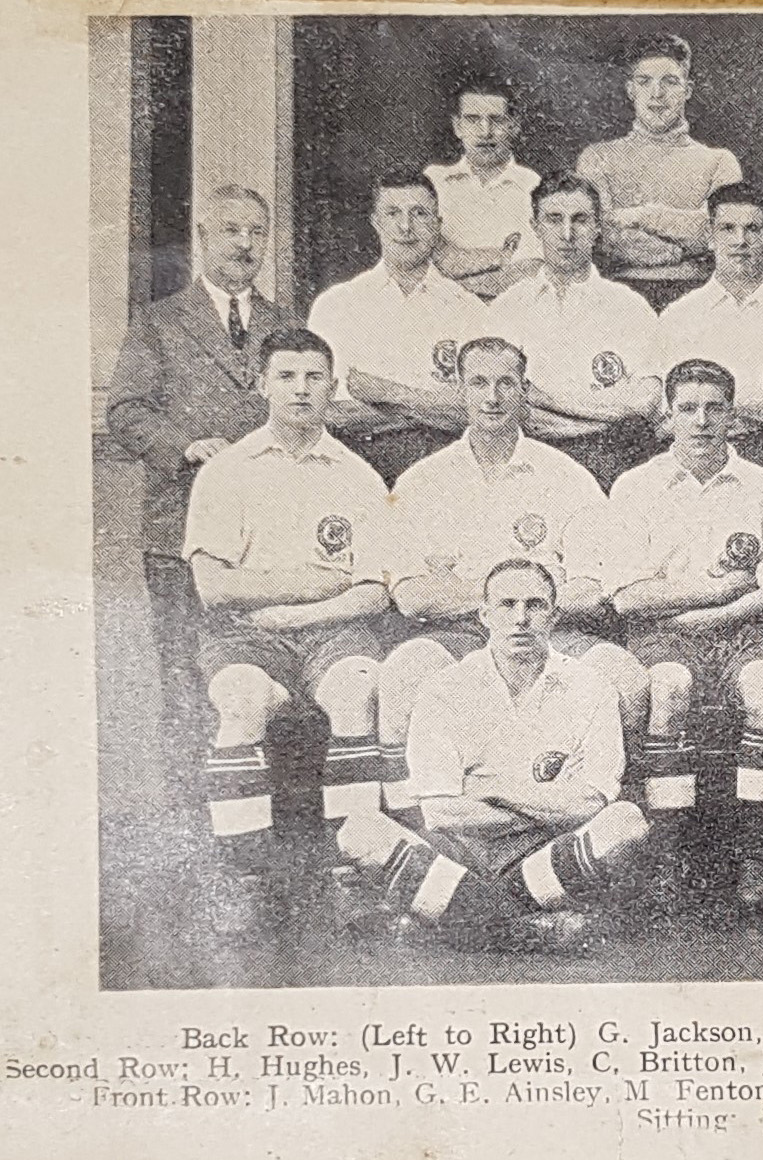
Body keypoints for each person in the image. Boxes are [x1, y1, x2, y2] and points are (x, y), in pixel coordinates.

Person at [369, 337, 650, 819]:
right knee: (404, 673)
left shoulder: (566, 477)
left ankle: (589, 824)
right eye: (479, 383)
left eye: (506, 383)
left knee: (625, 677)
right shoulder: (421, 482)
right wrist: (516, 595)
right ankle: (414, 826)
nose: (492, 397)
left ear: (525, 390)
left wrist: (484, 594)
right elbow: (413, 596)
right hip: (458, 634)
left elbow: (589, 589)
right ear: (459, 391)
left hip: (551, 633)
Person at [180, 329, 391, 935]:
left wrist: (296, 609)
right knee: (242, 697)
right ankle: (242, 877)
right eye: (286, 376)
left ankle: (355, 872)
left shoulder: (358, 475)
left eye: (314, 377)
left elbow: (372, 591)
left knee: (357, 686)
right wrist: (308, 581)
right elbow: (214, 588)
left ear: (332, 386)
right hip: (245, 634)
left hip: (332, 630)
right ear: (262, 384)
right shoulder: (227, 471)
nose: (301, 390)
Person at [336, 558, 650, 954]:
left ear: (554, 615)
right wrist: (547, 802)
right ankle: (521, 927)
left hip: (545, 849)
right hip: (461, 851)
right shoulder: (445, 689)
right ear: (484, 615)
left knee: (626, 822)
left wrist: (493, 788)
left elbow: (590, 805)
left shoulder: (592, 687)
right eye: (507, 604)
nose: (521, 618)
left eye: (535, 605)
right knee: (358, 831)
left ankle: (461, 917)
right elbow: (440, 813)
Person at [105, 184, 299, 756]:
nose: (244, 244)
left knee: (258, 670)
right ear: (203, 237)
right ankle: (189, 800)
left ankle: (252, 789)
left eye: (256, 232)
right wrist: (187, 445)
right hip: (180, 526)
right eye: (231, 231)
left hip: (266, 533)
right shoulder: (158, 321)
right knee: (184, 675)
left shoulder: (286, 324)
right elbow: (126, 410)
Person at [605, 359, 763, 913]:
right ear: (668, 416)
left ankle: (757, 854)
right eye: (687, 409)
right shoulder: (636, 486)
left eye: (715, 408)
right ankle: (668, 857)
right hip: (663, 634)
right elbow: (627, 597)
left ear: (733, 415)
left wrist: (713, 614)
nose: (702, 421)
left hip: (745, 628)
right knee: (667, 689)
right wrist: (711, 594)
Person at [306, 169, 486, 485]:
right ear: (376, 222)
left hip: (443, 471)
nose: (406, 227)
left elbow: (477, 411)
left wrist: (384, 392)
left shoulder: (468, 310)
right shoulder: (335, 306)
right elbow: (324, 412)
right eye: (393, 213)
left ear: (437, 225)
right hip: (354, 468)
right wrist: (430, 407)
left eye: (419, 213)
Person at [486, 171, 664, 488]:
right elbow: (497, 402)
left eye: (580, 220)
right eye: (554, 219)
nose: (567, 234)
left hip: (610, 458)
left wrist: (545, 400)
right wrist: (601, 409)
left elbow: (644, 402)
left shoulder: (629, 307)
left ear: (597, 227)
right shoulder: (507, 308)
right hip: (530, 460)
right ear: (535, 226)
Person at [654, 183, 763, 479]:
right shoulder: (679, 317)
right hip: (696, 467)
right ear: (710, 237)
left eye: (752, 229)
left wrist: (712, 407)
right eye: (727, 229)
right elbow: (666, 416)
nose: (740, 240)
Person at [576, 33, 743, 310]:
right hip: (614, 303)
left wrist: (644, 215)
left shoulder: (719, 162)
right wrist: (679, 249)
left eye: (670, 82)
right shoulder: (598, 158)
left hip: (700, 303)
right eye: (645, 82)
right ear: (631, 90)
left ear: (688, 89)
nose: (657, 94)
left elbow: (723, 233)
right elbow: (602, 234)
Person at [424, 75, 543, 299]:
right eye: (472, 119)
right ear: (458, 127)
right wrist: (501, 256)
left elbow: (533, 271)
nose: (485, 131)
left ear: (513, 126)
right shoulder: (433, 182)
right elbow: (418, 258)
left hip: (513, 309)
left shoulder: (533, 186)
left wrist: (449, 276)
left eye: (496, 120)